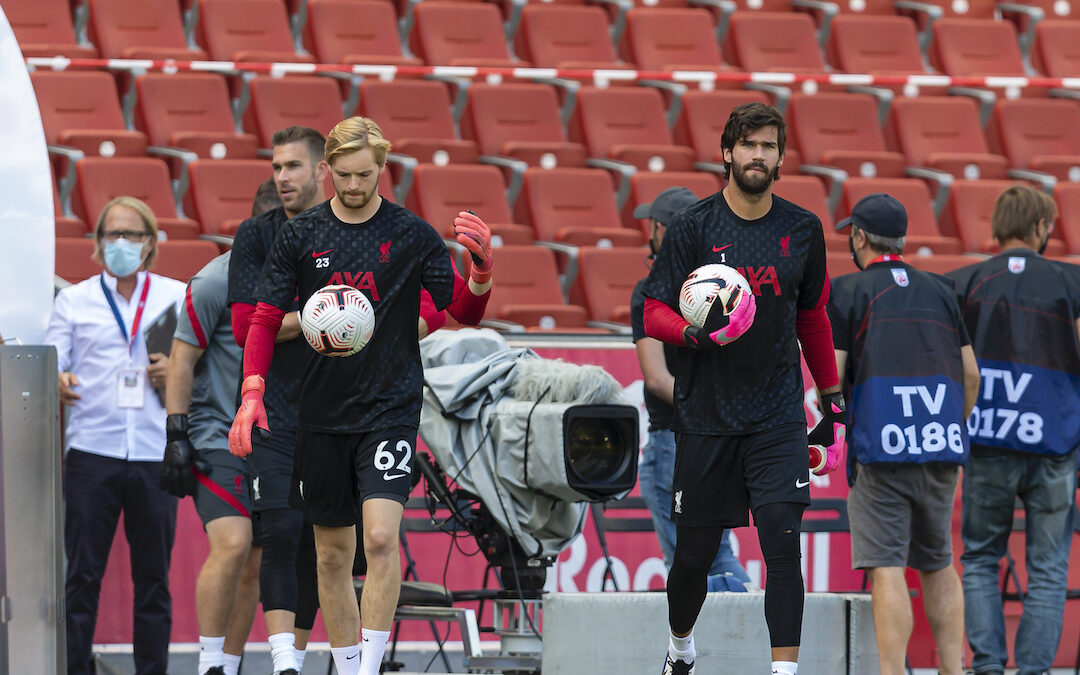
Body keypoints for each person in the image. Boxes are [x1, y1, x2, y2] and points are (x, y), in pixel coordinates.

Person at [228, 116, 493, 675]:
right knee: (331, 554)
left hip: (390, 409)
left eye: (364, 175)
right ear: (329, 171)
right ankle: (348, 666)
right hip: (318, 413)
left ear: (382, 169)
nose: (352, 186)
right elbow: (263, 320)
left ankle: (367, 669)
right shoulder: (299, 236)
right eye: (343, 176)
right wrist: (252, 393)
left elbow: (460, 313)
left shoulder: (413, 234)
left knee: (378, 537)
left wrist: (481, 271)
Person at [641, 102, 845, 675]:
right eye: (749, 144)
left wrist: (831, 399)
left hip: (777, 416)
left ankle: (784, 671)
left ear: (781, 158)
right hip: (705, 416)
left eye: (769, 146)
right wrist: (691, 334)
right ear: (727, 152)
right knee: (693, 558)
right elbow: (653, 307)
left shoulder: (802, 229)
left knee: (783, 545)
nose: (759, 155)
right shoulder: (693, 227)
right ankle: (681, 649)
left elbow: (813, 318)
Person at [827, 193, 980, 675]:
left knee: (886, 565)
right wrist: (948, 425)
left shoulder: (845, 290)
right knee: (938, 562)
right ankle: (952, 671)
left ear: (859, 237)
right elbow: (971, 375)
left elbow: (832, 377)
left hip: (879, 449)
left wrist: (835, 423)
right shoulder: (941, 289)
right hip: (939, 445)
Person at [45, 196, 187, 675]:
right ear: (98, 242)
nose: (120, 244)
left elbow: (202, 368)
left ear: (149, 243)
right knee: (82, 575)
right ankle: (75, 668)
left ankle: (152, 670)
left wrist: (177, 374)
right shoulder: (74, 300)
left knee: (154, 579)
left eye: (131, 235)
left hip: (153, 449)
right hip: (92, 451)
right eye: (111, 235)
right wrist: (57, 381)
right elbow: (53, 365)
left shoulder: (175, 295)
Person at [947, 185, 1080, 675]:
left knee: (981, 559)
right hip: (1056, 446)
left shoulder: (965, 283)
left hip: (987, 442)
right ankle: (1034, 671)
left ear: (999, 226)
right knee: (1048, 570)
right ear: (1043, 227)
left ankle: (986, 667)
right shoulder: (1072, 282)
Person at [228, 126, 327, 675]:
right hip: (272, 408)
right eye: (276, 167)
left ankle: (300, 656)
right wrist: (317, 319)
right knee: (281, 531)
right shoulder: (256, 235)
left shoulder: (351, 234)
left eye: (292, 166)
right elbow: (246, 327)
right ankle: (284, 660)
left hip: (336, 413)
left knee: (324, 542)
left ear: (321, 172)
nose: (282, 177)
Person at [631, 186, 751, 592]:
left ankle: (737, 636)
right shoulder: (728, 286)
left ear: (661, 230)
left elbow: (657, 378)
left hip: (674, 439)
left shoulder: (652, 290)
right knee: (719, 555)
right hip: (719, 439)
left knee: (690, 565)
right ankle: (754, 625)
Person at [162, 250, 263, 675]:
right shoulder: (214, 280)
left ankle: (230, 664)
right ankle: (208, 665)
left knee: (256, 558)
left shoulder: (303, 272)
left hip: (270, 439)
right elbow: (181, 358)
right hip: (216, 432)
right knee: (234, 543)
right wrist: (177, 434)